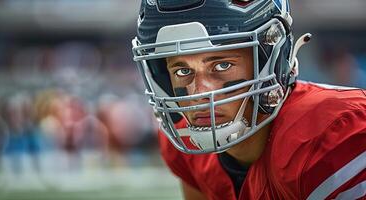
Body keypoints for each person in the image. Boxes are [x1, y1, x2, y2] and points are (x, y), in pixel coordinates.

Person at [131, 0, 366, 199]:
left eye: (222, 65)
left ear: (270, 62)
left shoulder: (334, 135)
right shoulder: (187, 151)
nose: (197, 92)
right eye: (182, 71)